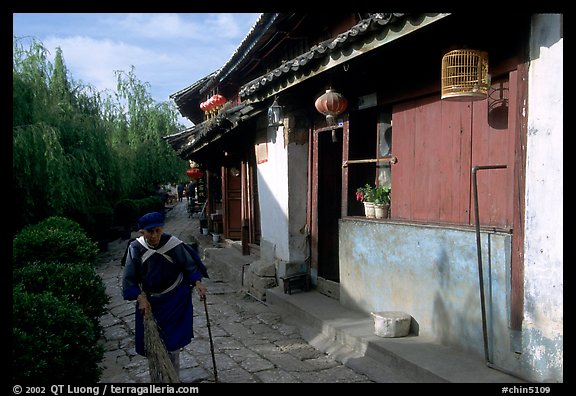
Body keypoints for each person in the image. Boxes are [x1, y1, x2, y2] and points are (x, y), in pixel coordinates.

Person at [122, 211, 208, 382]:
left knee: (173, 343)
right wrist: (140, 298)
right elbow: (129, 278)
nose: (154, 235)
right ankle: (158, 380)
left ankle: (173, 379)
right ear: (142, 232)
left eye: (158, 231)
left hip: (175, 299)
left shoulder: (173, 244)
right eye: (150, 232)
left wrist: (197, 283)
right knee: (153, 345)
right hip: (150, 302)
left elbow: (190, 266)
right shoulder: (136, 248)